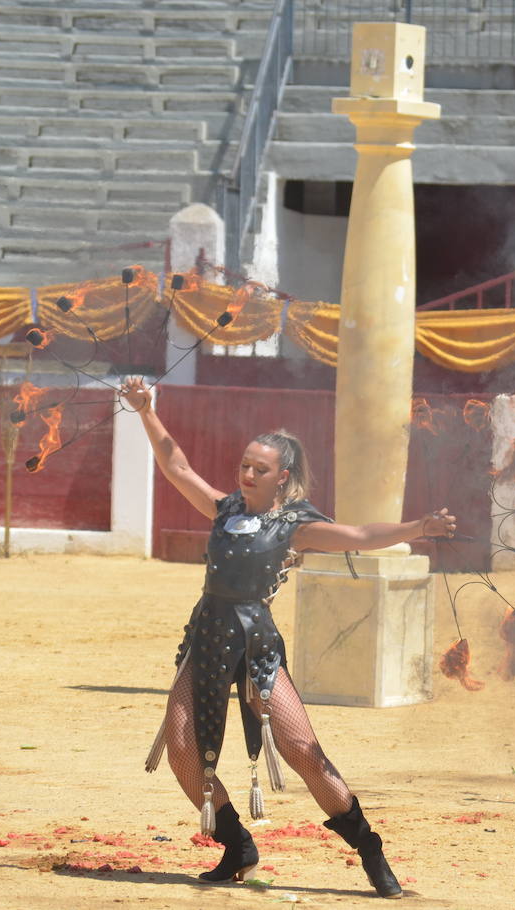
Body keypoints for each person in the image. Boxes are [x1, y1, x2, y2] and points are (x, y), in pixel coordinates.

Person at [121, 377, 456, 897]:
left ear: (284, 477)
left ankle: (370, 851)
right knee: (184, 749)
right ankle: (237, 844)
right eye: (244, 466)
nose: (247, 474)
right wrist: (147, 410)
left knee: (301, 748)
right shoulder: (225, 509)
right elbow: (176, 465)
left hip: (256, 644)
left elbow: (362, 536)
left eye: (260, 469)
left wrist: (419, 527)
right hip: (206, 636)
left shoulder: (295, 526)